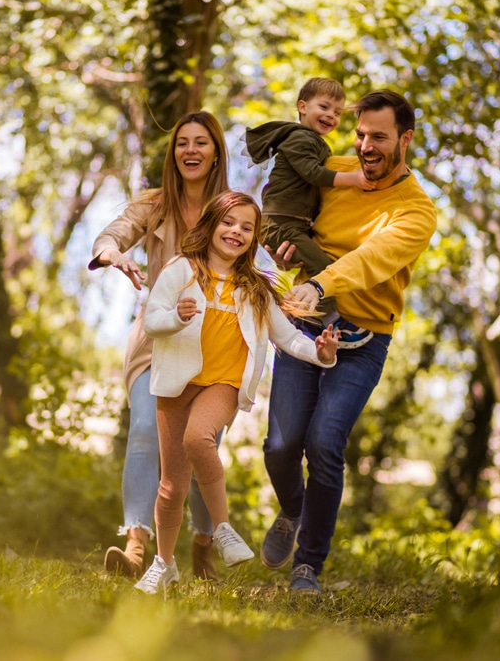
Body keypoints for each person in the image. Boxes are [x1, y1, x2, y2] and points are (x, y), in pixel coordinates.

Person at [259, 89, 438, 593]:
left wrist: (320, 282)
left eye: (378, 137)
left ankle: (307, 566)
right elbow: (284, 206)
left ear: (405, 139)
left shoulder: (416, 211)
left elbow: (372, 258)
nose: (365, 146)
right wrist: (283, 244)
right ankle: (293, 510)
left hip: (364, 337)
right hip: (305, 322)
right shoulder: (334, 170)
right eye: (360, 135)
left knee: (323, 443)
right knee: (280, 445)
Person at [134, 191, 339, 594]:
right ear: (211, 224)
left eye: (247, 228)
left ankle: (223, 528)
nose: (236, 232)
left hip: (223, 385)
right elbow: (153, 320)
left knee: (199, 438)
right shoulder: (181, 270)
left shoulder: (257, 289)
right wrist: (176, 317)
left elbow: (288, 337)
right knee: (171, 486)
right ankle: (163, 563)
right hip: (177, 382)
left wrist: (320, 353)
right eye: (229, 223)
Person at [89, 111, 230, 581]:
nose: (190, 150)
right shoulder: (153, 204)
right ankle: (135, 549)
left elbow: (263, 261)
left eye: (201, 143)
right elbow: (112, 234)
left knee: (200, 444)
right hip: (158, 338)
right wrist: (112, 252)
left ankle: (203, 545)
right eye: (182, 143)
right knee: (146, 430)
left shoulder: (232, 211)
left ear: (215, 154)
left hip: (215, 345)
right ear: (174, 154)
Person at [244, 77, 375, 346]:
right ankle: (334, 324)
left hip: (290, 224)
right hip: (280, 224)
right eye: (324, 107)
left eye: (337, 112)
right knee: (322, 268)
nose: (331, 116)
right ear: (302, 106)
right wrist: (354, 178)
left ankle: (301, 313)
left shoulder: (312, 140)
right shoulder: (300, 138)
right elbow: (312, 173)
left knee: (321, 262)